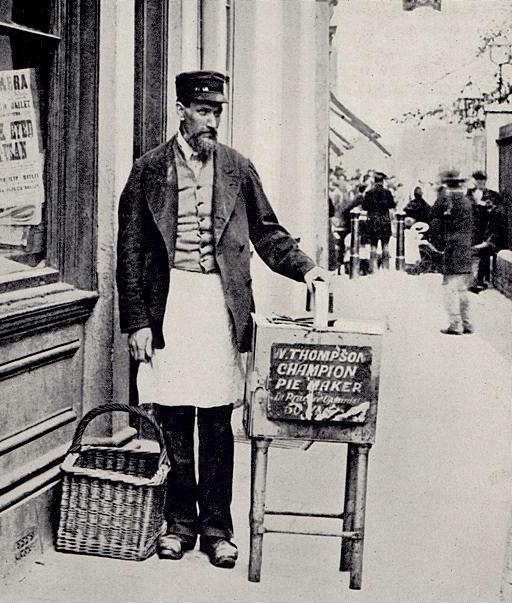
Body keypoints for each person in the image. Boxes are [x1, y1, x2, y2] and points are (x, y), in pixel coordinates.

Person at [116, 70, 330, 569]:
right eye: (203, 111)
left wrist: (308, 269)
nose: (211, 121)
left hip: (218, 305)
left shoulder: (237, 167)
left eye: (217, 112)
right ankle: (178, 524)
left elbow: (268, 234)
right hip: (170, 304)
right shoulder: (148, 170)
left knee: (215, 421)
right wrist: (137, 321)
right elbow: (129, 252)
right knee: (172, 418)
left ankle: (217, 528)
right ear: (181, 111)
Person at [429, 169, 474, 335]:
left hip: (452, 248)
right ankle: (467, 322)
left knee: (450, 288)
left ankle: (455, 324)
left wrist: (437, 242)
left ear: (446, 184)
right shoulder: (466, 201)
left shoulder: (446, 200)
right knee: (462, 288)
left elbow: (434, 220)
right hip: (466, 247)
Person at [467, 170, 502, 292]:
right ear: (474, 181)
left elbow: (497, 212)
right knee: (472, 254)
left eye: (482, 180)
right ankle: (473, 281)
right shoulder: (469, 194)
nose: (479, 182)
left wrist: (487, 207)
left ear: (485, 181)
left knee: (484, 253)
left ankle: (481, 280)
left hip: (487, 229)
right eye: (477, 180)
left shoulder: (493, 195)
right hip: (473, 230)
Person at [361, 171, 396, 272]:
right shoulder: (388, 193)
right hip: (384, 221)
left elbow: (364, 207)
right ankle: (385, 267)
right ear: (383, 181)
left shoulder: (369, 193)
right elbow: (392, 205)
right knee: (385, 245)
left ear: (374, 181)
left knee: (373, 245)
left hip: (373, 221)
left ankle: (373, 267)